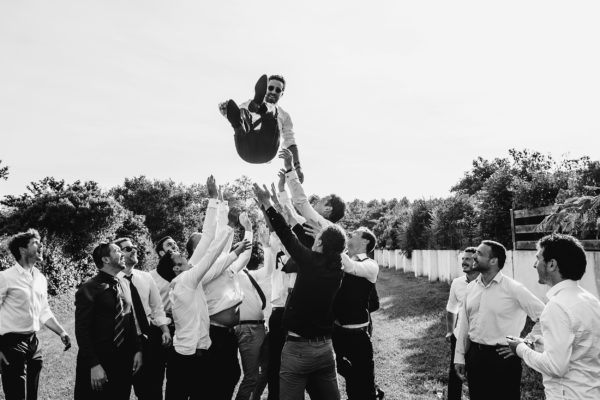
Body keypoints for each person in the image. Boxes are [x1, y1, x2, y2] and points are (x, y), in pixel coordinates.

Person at [254, 183, 346, 400]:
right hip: (325, 349)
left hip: (298, 349)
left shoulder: (310, 262)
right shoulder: (338, 268)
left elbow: (287, 236)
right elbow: (297, 234)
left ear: (320, 242)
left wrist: (267, 203)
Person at [506, 234, 600, 400]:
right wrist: (543, 345)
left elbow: (556, 367)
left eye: (538, 258)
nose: (534, 264)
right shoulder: (590, 300)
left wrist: (520, 349)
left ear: (551, 264)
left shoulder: (557, 306)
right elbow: (583, 347)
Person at [454, 240, 545, 400]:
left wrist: (526, 343)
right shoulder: (470, 288)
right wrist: (459, 357)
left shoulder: (514, 288)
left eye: (480, 254)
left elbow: (544, 316)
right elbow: (464, 325)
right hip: (475, 357)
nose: (474, 256)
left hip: (503, 359)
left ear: (493, 261)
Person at [0, 229, 71, 400]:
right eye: (35, 243)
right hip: (11, 344)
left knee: (32, 395)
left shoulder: (40, 278)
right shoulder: (5, 277)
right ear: (22, 250)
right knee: (17, 396)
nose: (41, 246)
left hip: (34, 342)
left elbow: (43, 311)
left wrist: (62, 331)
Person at [74, 242, 143, 400]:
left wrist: (138, 350)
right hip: (98, 363)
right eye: (118, 251)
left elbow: (129, 320)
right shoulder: (89, 288)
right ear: (105, 259)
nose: (123, 254)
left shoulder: (120, 284)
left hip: (122, 363)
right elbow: (82, 330)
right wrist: (93, 365)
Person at [114, 237, 172, 400]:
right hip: (123, 343)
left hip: (149, 341)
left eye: (134, 247)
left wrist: (164, 329)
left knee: (152, 391)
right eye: (127, 248)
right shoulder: (113, 281)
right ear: (117, 255)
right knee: (120, 390)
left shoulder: (146, 278)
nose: (134, 250)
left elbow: (157, 307)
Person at [221, 75, 303, 180]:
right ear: (265, 89)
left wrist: (298, 167)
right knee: (241, 119)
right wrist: (225, 109)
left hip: (266, 151)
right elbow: (234, 113)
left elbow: (290, 142)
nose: (273, 92)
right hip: (246, 149)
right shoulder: (247, 105)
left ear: (282, 94)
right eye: (270, 88)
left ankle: (262, 109)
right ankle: (242, 124)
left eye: (277, 90)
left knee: (272, 114)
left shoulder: (284, 116)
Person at [331, 227, 380, 400]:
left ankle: (368, 390)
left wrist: (336, 245)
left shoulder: (370, 265)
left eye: (354, 234)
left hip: (358, 336)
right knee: (339, 369)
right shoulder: (342, 258)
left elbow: (351, 267)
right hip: (336, 332)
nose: (350, 236)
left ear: (365, 241)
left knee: (362, 388)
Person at [234, 224, 275, 400]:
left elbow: (268, 270)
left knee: (266, 372)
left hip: (260, 328)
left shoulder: (247, 274)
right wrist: (248, 230)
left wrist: (266, 247)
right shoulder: (230, 272)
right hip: (247, 329)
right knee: (251, 377)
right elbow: (244, 254)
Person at [444, 247, 479, 400]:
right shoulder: (457, 283)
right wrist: (450, 331)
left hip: (478, 339)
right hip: (458, 336)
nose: (464, 262)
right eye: (463, 259)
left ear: (477, 262)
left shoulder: (485, 283)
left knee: (476, 374)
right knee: (455, 373)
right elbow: (451, 308)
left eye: (468, 259)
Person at [279, 148, 344, 228]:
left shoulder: (323, 225)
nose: (316, 202)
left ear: (327, 209)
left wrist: (289, 168)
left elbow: (301, 202)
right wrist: (281, 189)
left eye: (321, 201)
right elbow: (291, 215)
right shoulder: (314, 224)